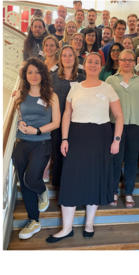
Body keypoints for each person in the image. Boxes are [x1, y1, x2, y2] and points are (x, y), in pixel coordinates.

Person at [47, 52, 124, 243]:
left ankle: (89, 223)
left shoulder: (108, 88)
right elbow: (66, 115)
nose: (93, 65)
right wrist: (64, 139)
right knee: (70, 180)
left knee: (95, 179)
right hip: (76, 136)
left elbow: (119, 116)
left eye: (97, 62)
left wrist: (116, 140)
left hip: (101, 137)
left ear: (101, 66)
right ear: (85, 64)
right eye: (90, 61)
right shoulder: (76, 88)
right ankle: (66, 228)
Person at [10, 58, 62, 240]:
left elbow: (57, 122)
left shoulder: (51, 96)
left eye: (37, 72)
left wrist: (37, 130)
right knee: (24, 184)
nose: (33, 75)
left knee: (32, 178)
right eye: (30, 72)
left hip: (42, 142)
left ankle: (42, 190)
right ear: (25, 75)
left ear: (43, 74)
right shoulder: (20, 95)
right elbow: (18, 117)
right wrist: (21, 122)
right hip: (22, 142)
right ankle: (34, 221)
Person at [105, 49, 139, 208]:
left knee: (131, 160)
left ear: (134, 62)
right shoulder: (110, 80)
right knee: (115, 160)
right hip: (115, 125)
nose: (127, 62)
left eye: (130, 60)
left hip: (136, 125)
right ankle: (114, 191)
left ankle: (129, 192)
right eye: (124, 59)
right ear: (119, 61)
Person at [49, 45, 86, 188]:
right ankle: (59, 188)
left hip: (76, 122)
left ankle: (72, 186)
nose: (67, 58)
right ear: (60, 58)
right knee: (58, 155)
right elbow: (45, 98)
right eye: (64, 55)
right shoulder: (53, 78)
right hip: (57, 123)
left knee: (73, 156)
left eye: (70, 55)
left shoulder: (82, 78)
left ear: (75, 58)